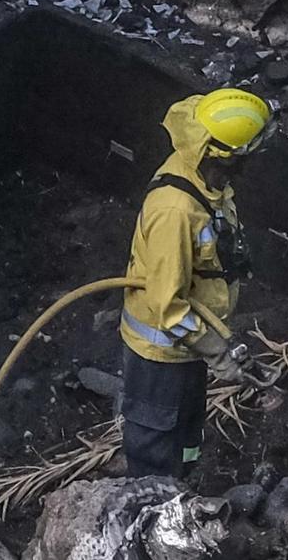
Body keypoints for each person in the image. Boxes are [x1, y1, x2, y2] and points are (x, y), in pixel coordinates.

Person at [119, 87, 273, 479]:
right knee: (156, 441)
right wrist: (220, 355)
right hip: (162, 355)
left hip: (190, 350)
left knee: (187, 435)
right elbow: (169, 306)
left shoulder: (208, 181)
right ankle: (150, 504)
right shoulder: (176, 212)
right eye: (248, 155)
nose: (252, 163)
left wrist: (216, 346)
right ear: (224, 156)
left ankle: (182, 487)